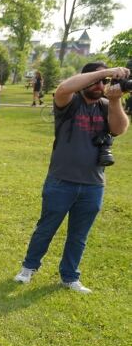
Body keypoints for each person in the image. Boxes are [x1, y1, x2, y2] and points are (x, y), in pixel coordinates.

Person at [14, 62, 130, 293]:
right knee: (46, 228)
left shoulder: (107, 105)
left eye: (104, 83)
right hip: (61, 180)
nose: (100, 86)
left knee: (79, 235)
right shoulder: (70, 102)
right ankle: (28, 268)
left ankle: (69, 276)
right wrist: (106, 72)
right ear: (85, 79)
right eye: (95, 80)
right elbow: (64, 88)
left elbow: (119, 129)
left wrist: (116, 100)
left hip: (93, 184)